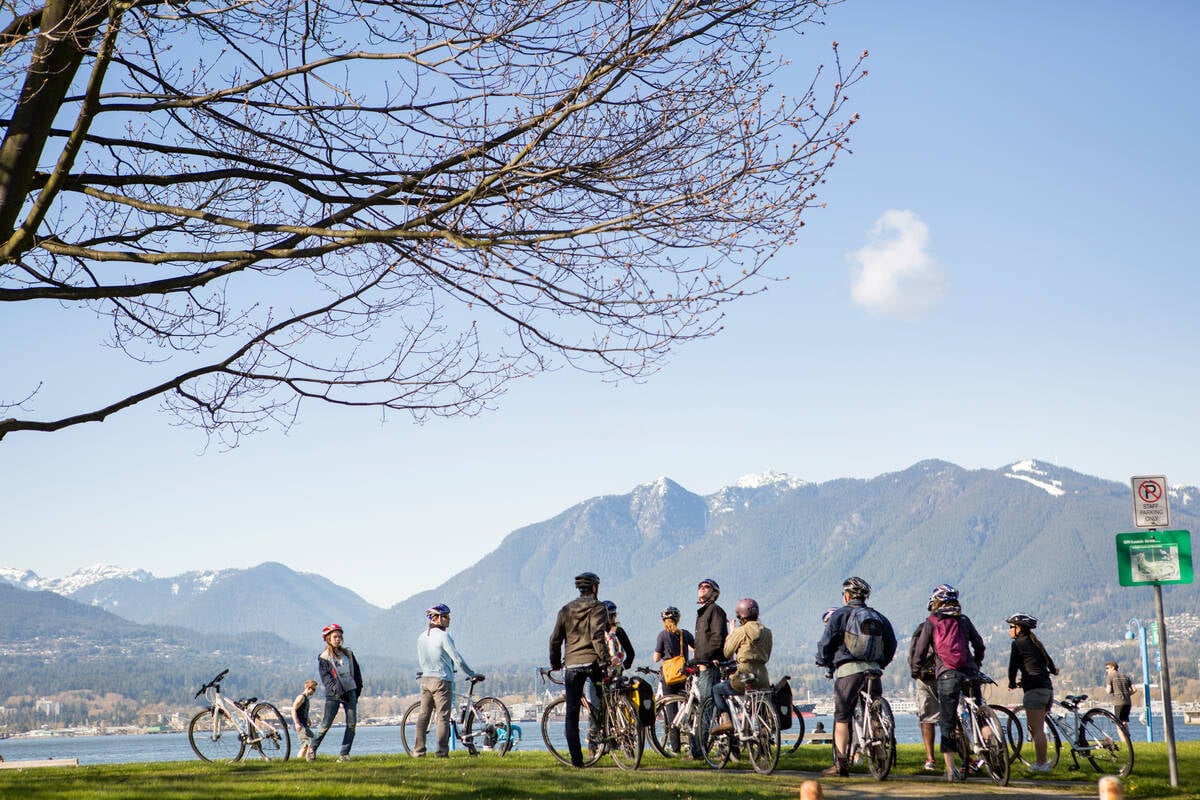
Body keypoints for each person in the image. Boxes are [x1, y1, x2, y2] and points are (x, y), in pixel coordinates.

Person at [815, 576, 897, 778]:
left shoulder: (840, 615)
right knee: (874, 711)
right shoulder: (878, 617)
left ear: (846, 595)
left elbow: (826, 643)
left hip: (848, 672)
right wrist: (881, 663)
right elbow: (892, 643)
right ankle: (880, 757)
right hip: (874, 671)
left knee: (842, 716)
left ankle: (841, 764)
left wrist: (823, 660)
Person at [911, 584, 986, 781]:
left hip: (947, 674)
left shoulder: (932, 621)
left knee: (947, 722)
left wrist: (915, 670)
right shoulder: (963, 620)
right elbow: (979, 644)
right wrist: (976, 663)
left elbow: (919, 651)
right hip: (970, 672)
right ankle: (991, 748)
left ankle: (950, 770)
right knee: (979, 713)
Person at [548, 571, 610, 767]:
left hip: (572, 665)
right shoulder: (598, 607)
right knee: (604, 701)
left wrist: (555, 663)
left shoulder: (565, 610)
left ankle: (577, 760)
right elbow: (596, 635)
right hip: (592, 663)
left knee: (572, 713)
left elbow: (555, 640)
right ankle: (605, 735)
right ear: (595, 588)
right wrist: (606, 659)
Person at [413, 603, 483, 757]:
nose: (449, 619)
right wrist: (471, 673)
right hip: (442, 680)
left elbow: (422, 658)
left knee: (423, 716)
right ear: (436, 619)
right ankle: (442, 753)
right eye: (445, 616)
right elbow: (456, 658)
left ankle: (418, 751)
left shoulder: (421, 636)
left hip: (425, 679)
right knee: (443, 717)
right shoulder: (444, 636)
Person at [710, 598, 772, 735]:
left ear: (740, 615)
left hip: (744, 675)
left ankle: (726, 720)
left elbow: (727, 652)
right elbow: (768, 653)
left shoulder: (741, 631)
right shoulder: (767, 632)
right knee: (758, 707)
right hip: (763, 677)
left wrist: (731, 634)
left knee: (716, 690)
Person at [1007, 612, 1058, 773]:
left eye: (1011, 627)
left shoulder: (1018, 644)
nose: (1009, 630)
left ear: (1019, 628)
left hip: (1034, 690)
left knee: (1037, 730)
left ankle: (1042, 764)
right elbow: (1048, 663)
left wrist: (1011, 683)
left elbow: (1012, 667)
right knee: (1036, 728)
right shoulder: (1036, 643)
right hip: (1046, 688)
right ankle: (1041, 761)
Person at [309, 623, 364, 762]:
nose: (338, 639)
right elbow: (327, 679)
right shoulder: (324, 657)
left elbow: (356, 673)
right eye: (335, 637)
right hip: (334, 695)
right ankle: (312, 748)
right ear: (328, 638)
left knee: (352, 724)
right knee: (326, 725)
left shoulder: (349, 654)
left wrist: (357, 690)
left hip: (350, 691)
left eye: (340, 636)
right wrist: (337, 691)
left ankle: (344, 754)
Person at [692, 577, 727, 755]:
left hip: (710, 666)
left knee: (705, 707)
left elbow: (717, 638)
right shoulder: (703, 612)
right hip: (701, 666)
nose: (702, 588)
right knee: (705, 706)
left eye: (707, 587)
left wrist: (704, 657)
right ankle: (699, 747)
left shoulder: (715, 611)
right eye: (700, 586)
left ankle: (699, 750)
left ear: (714, 593)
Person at [652, 605, 694, 753]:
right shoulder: (685, 634)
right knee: (687, 710)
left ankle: (675, 749)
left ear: (664, 620)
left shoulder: (662, 635)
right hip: (684, 676)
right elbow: (696, 650)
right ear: (678, 619)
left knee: (671, 713)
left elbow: (656, 658)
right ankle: (692, 745)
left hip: (669, 678)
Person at [908, 598, 940, 772]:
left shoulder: (925, 626)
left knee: (927, 718)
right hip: (950, 673)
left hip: (926, 677)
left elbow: (916, 651)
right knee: (954, 718)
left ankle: (930, 758)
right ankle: (966, 757)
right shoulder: (959, 624)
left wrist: (915, 670)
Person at [292, 679, 318, 761]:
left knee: (305, 746)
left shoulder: (306, 698)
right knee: (311, 741)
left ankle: (299, 760)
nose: (314, 691)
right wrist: (296, 723)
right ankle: (310, 759)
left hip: (304, 724)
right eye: (313, 689)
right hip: (300, 725)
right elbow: (293, 709)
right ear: (308, 688)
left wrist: (309, 719)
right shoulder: (301, 697)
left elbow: (304, 711)